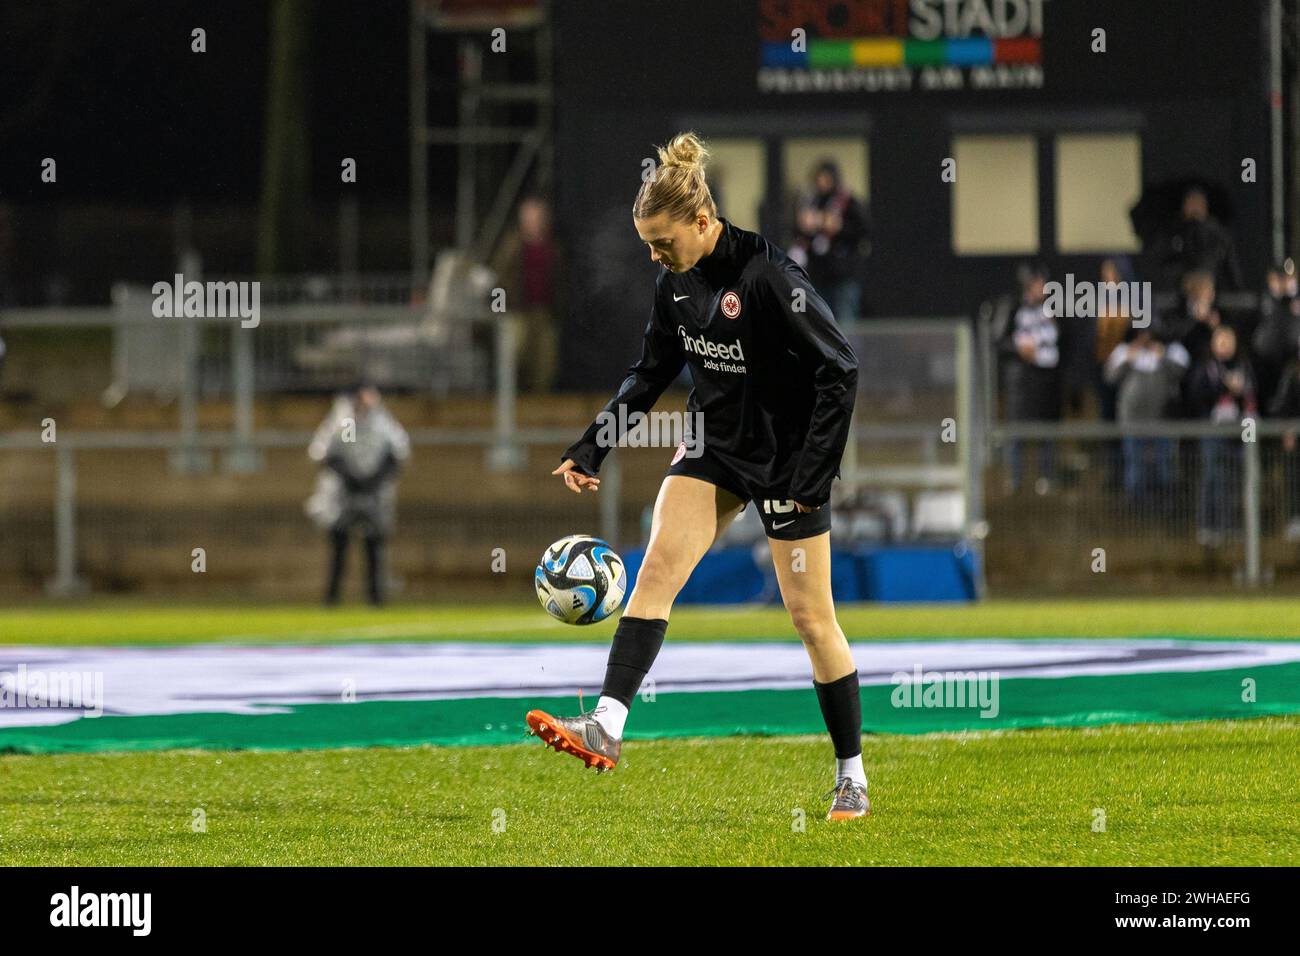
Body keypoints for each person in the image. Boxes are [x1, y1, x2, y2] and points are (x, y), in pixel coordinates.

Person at [524, 132, 866, 821]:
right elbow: (650, 373)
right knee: (654, 572)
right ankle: (608, 726)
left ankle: (851, 775)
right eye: (647, 244)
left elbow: (840, 368)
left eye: (662, 242)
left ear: (703, 222)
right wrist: (592, 447)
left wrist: (812, 473)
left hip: (785, 457)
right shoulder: (673, 284)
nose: (655, 256)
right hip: (714, 444)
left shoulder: (769, 277)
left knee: (811, 618)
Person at [306, 382, 410, 605]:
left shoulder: (382, 422)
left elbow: (397, 453)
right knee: (339, 547)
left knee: (374, 548)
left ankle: (376, 598)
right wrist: (351, 477)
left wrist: (373, 480)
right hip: (343, 495)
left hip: (374, 494)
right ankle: (332, 599)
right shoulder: (342, 421)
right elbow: (325, 453)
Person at [1103, 320, 1188, 504]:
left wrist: (1162, 356)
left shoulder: (1171, 350)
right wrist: (1128, 359)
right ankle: (1135, 506)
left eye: (1149, 333)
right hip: (1132, 420)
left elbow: (1182, 372)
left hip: (1162, 420)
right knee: (1135, 464)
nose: (1145, 337)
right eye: (1141, 333)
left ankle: (1167, 503)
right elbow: (1109, 377)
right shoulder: (1124, 351)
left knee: (1165, 464)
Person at [1186, 326, 1256, 546]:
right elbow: (1195, 397)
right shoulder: (1205, 368)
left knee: (1237, 479)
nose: (1225, 345)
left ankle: (1232, 526)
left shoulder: (1245, 366)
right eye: (1221, 340)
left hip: (1240, 431)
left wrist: (1239, 392)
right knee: (1213, 477)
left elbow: (1253, 397)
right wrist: (1222, 388)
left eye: (1229, 340)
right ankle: (1208, 526)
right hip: (1212, 430)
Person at [995, 262, 1061, 494]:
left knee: (1047, 431)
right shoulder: (1012, 307)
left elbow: (1066, 341)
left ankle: (1047, 475)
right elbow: (999, 341)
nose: (1042, 286)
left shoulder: (1054, 309)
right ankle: (1014, 478)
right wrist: (1019, 350)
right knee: (1016, 432)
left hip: (1046, 382)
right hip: (1021, 382)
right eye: (1038, 282)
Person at [489, 196, 562, 393]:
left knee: (545, 362)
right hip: (517, 311)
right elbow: (498, 279)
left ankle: (539, 403)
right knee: (514, 357)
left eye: (539, 218)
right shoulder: (511, 246)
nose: (535, 223)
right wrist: (501, 311)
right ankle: (510, 400)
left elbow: (560, 280)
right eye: (531, 218)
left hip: (544, 311)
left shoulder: (553, 248)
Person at [789, 159, 870, 322]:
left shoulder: (848, 202)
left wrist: (839, 227)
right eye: (819, 178)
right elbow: (797, 234)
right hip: (818, 274)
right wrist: (805, 224)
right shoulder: (812, 201)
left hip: (843, 275)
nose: (822, 183)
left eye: (826, 178)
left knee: (845, 321)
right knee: (820, 322)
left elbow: (863, 231)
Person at [1160, 186, 1242, 291]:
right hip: (1178, 289)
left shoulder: (1218, 234)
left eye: (1198, 204)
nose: (1194, 208)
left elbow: (1230, 268)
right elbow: (1164, 266)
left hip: (1214, 288)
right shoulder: (1172, 232)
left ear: (1205, 207)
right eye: (1190, 204)